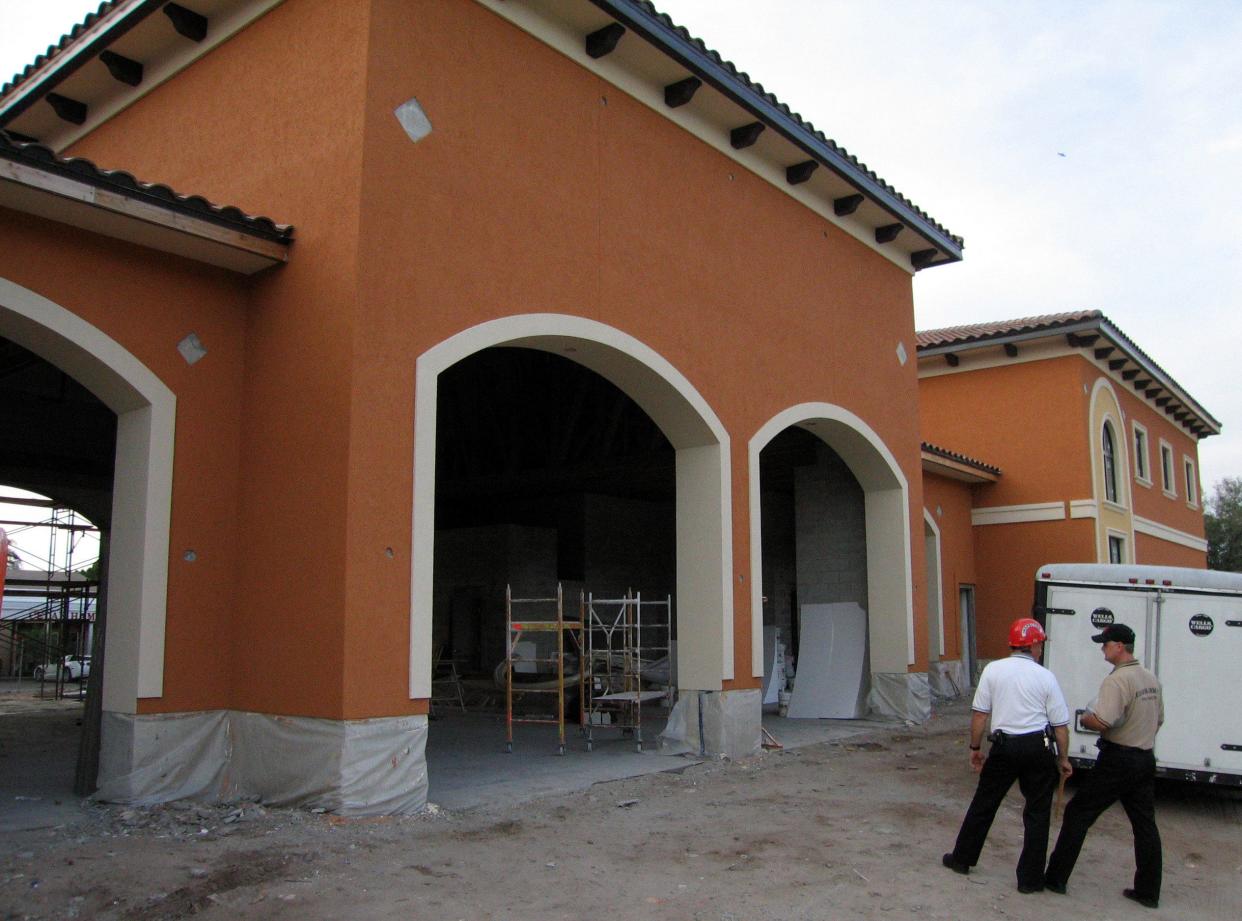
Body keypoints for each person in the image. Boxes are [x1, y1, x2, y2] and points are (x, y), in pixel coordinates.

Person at [942, 617, 1072, 892]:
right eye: (1040, 645)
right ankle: (1030, 879)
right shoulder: (1046, 676)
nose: (1040, 651)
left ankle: (962, 859)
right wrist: (1063, 758)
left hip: (1005, 746)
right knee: (1037, 813)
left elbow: (980, 715)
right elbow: (1060, 726)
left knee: (984, 803)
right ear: (1033, 644)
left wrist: (975, 748)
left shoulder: (993, 670)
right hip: (1038, 748)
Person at [1044, 623, 1164, 908]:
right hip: (1144, 757)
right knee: (1145, 824)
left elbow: (1103, 721)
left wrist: (1086, 719)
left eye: (1105, 643)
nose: (1102, 648)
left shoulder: (1117, 681)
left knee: (1078, 813)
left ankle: (1056, 878)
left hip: (1118, 759)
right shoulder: (1150, 678)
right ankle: (1148, 892)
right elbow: (1159, 720)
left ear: (1119, 646)